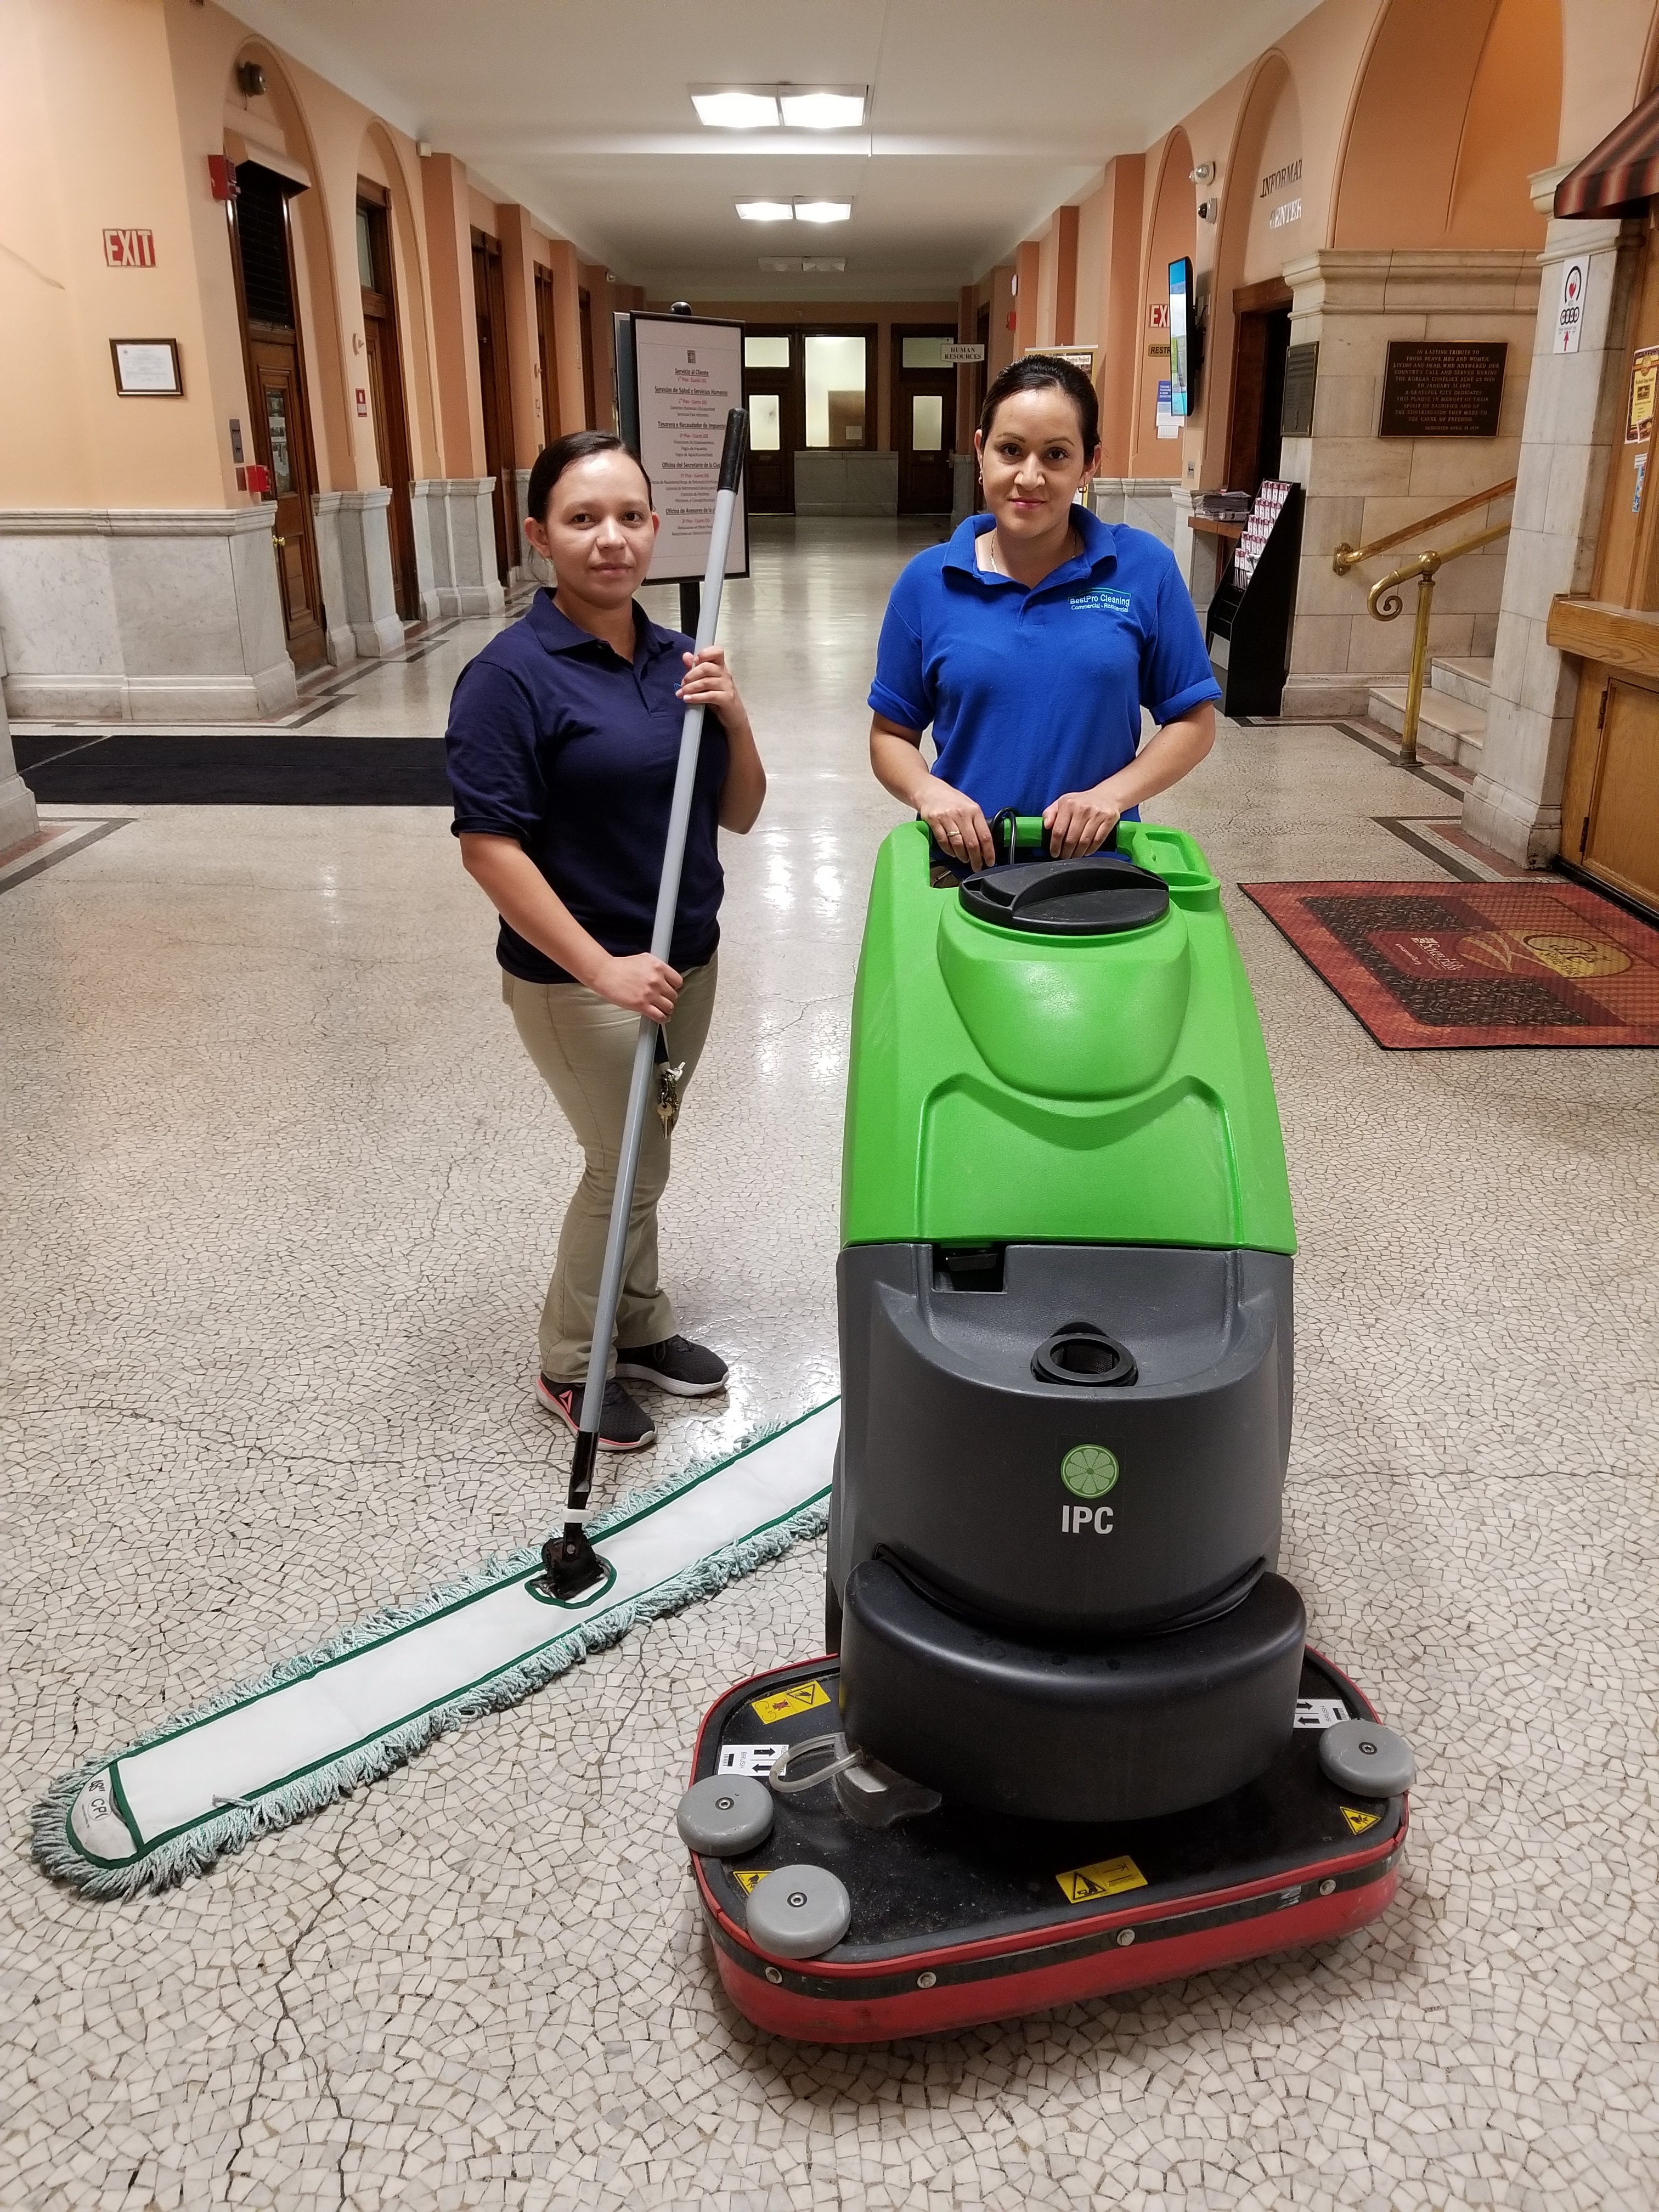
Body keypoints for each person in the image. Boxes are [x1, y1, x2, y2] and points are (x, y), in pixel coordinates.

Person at [445, 431, 766, 1452]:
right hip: (579, 980)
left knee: (649, 1150)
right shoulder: (509, 676)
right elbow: (488, 851)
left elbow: (742, 812)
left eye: (629, 516)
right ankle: (570, 1358)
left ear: (656, 531)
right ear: (540, 536)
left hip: (685, 962)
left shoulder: (681, 657)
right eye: (582, 519)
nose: (611, 539)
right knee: (619, 1164)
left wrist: (736, 718)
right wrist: (601, 967)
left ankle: (638, 1323)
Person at [868, 354, 1220, 872]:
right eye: (1011, 450)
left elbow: (1193, 721)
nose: (1029, 477)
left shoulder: (1144, 569)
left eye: (1056, 455)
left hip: (1099, 865)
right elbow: (890, 734)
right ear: (981, 450)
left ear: (1090, 464)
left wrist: (1112, 797)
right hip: (966, 866)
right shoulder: (928, 582)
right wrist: (927, 792)